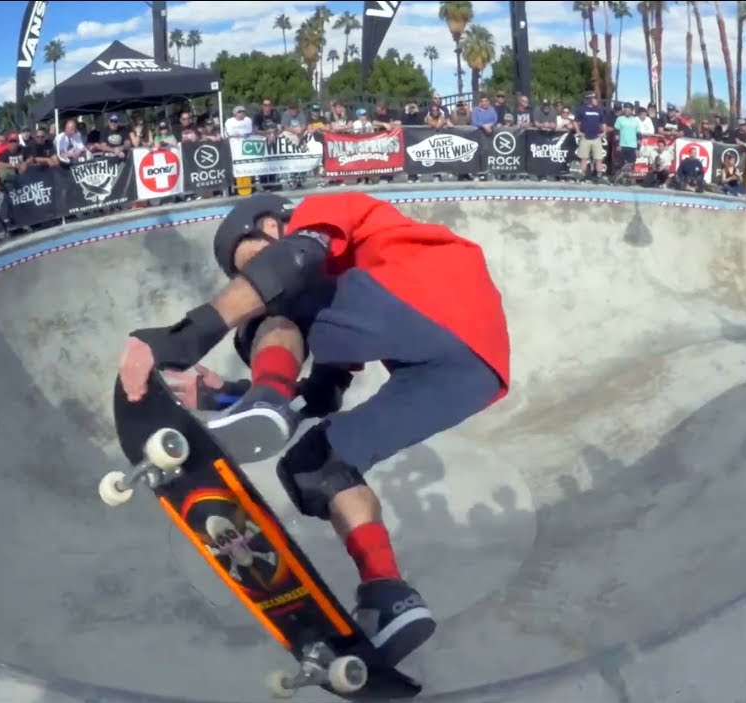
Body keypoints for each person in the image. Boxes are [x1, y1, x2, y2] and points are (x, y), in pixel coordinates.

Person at [117, 192, 510, 666]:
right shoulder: (353, 306)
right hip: (472, 373)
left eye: (257, 257)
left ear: (273, 221)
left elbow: (294, 260)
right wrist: (222, 395)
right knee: (319, 463)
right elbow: (322, 394)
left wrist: (175, 341)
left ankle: (266, 397)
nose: (259, 274)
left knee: (279, 299)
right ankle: (388, 596)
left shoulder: (322, 210)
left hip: (438, 293)